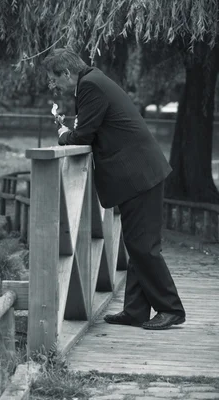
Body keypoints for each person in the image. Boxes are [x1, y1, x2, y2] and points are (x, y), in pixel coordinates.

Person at [41, 48, 186, 330]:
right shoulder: (93, 81)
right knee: (137, 245)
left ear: (67, 73)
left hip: (140, 175)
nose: (53, 85)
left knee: (145, 247)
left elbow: (84, 134)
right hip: (139, 173)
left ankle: (171, 308)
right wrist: (71, 128)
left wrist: (62, 135)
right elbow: (94, 125)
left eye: (53, 79)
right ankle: (136, 310)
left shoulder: (90, 85)